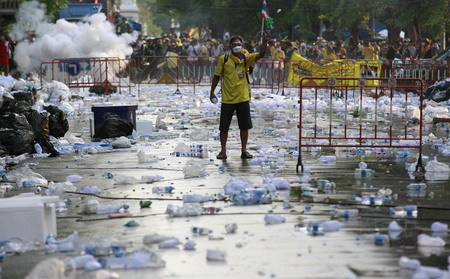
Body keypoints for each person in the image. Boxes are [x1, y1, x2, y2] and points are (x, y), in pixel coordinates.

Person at [209, 31, 271, 159]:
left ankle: (244, 150)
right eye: (234, 44)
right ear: (230, 46)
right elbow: (216, 76)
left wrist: (265, 42)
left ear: (242, 45)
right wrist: (212, 92)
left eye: (239, 44)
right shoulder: (224, 59)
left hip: (243, 98)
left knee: (244, 126)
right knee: (224, 127)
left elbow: (261, 54)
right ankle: (223, 150)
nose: (237, 46)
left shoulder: (246, 58)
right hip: (227, 99)